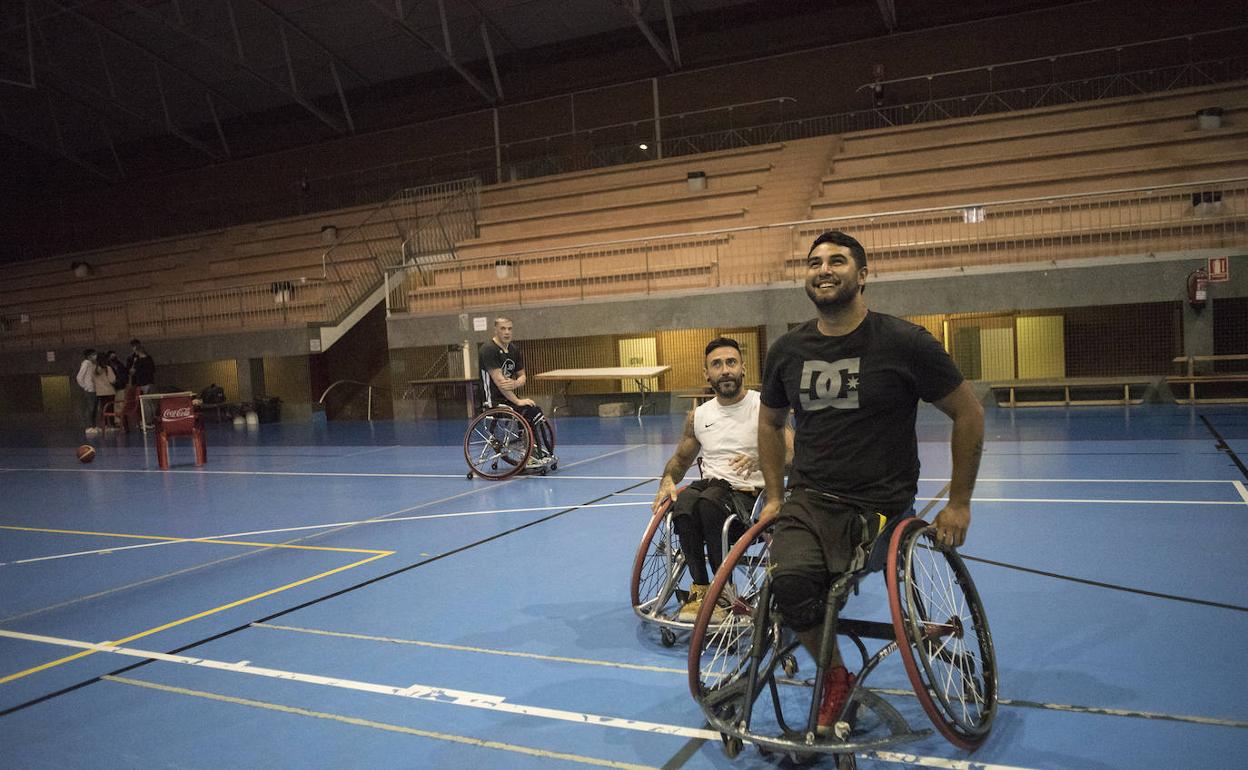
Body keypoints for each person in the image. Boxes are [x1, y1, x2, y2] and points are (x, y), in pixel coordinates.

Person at [757, 230, 984, 735]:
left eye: (838, 261)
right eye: (815, 262)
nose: (824, 269)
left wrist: (960, 503)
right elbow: (770, 423)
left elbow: (967, 413)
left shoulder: (905, 342)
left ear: (863, 274)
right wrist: (775, 497)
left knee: (832, 587)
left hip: (881, 504)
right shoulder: (788, 349)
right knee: (789, 583)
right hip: (810, 499)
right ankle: (836, 675)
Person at [652, 337, 792, 622]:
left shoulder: (764, 407)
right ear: (707, 373)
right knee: (687, 502)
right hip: (714, 491)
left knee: (708, 503)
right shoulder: (699, 416)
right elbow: (680, 460)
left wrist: (764, 458)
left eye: (731, 362)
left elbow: (792, 455)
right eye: (717, 364)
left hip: (753, 500)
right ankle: (701, 590)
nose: (725, 370)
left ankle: (724, 592)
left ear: (743, 369)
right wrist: (667, 479)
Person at [478, 317, 552, 462]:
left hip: (508, 398)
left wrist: (517, 383)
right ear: (495, 330)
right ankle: (529, 452)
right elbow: (501, 383)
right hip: (492, 401)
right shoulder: (488, 350)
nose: (507, 332)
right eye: (503, 329)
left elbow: (522, 376)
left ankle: (534, 449)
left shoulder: (513, 349)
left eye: (509, 329)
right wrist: (517, 401)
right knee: (523, 409)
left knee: (534, 410)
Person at [127, 339, 156, 426]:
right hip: (150, 382)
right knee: (150, 402)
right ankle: (152, 420)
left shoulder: (138, 361)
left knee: (145, 403)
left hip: (143, 383)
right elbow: (153, 369)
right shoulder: (149, 358)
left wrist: (134, 362)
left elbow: (131, 371)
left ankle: (147, 421)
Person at [75, 349, 99, 434]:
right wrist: (85, 386)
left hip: (95, 389)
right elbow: (79, 377)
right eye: (94, 355)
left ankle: (94, 425)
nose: (95, 356)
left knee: (95, 408)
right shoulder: (86, 364)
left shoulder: (93, 364)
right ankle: (88, 426)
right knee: (90, 408)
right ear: (89, 356)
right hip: (89, 389)